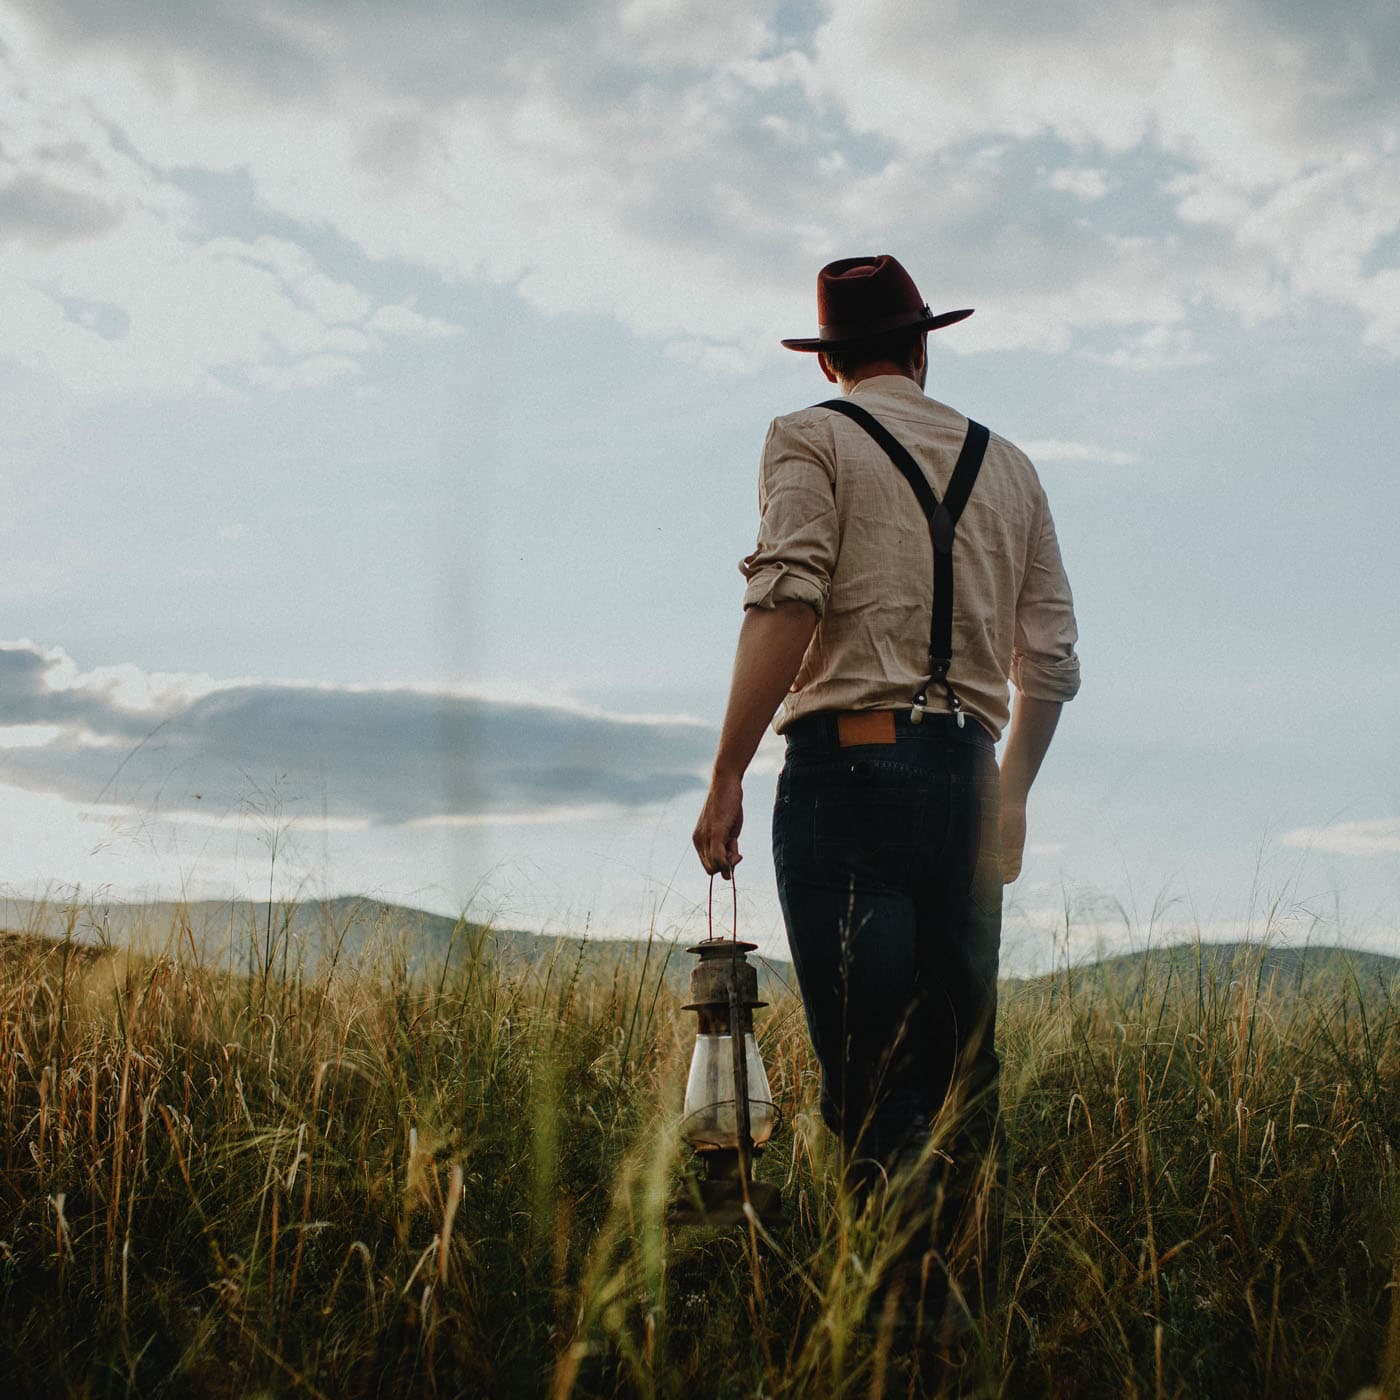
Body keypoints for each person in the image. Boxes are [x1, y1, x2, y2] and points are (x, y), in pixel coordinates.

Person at [692, 254, 1080, 1321]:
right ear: (920, 347)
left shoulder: (807, 435)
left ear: (831, 356)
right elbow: (1047, 661)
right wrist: (1005, 798)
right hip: (965, 781)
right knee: (963, 1080)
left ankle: (897, 1333)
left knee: (872, 1084)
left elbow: (786, 597)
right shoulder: (1009, 467)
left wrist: (725, 771)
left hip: (846, 779)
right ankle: (963, 1316)